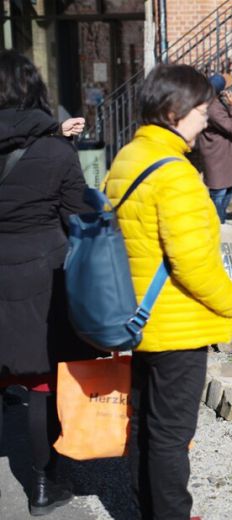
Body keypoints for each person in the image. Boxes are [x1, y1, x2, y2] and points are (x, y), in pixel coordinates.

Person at [103, 64, 232, 519]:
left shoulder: (128, 158)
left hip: (138, 315)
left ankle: (148, 510)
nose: (205, 120)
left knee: (144, 423)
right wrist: (231, 301)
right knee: (171, 435)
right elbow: (193, 263)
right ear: (172, 111)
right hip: (176, 325)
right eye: (201, 111)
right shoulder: (175, 174)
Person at [0, 49, 96, 516]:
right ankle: (43, 485)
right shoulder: (56, 153)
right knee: (39, 385)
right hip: (39, 277)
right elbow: (79, 216)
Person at [196, 73, 232, 223]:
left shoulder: (216, 103)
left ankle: (220, 223)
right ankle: (218, 229)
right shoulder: (212, 109)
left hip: (226, 156)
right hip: (217, 158)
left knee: (231, 190)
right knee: (219, 195)